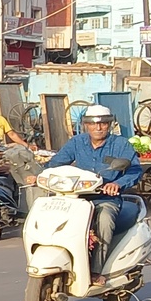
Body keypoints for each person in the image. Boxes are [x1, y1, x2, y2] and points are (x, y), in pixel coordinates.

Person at [44, 104, 142, 283]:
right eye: (94, 124)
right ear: (86, 125)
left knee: (104, 219)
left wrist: (117, 184)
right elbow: (56, 163)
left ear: (109, 124)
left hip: (106, 199)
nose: (98, 128)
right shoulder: (77, 142)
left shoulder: (121, 144)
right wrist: (40, 175)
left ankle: (97, 270)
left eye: (103, 124)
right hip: (77, 198)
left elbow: (135, 170)